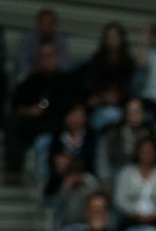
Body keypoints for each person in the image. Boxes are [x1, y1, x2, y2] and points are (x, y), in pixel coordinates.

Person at [5, 42, 77, 186]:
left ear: (57, 57)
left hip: (58, 125)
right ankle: (14, 171)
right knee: (12, 122)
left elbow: (73, 107)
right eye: (43, 56)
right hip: (34, 124)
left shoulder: (67, 81)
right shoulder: (32, 80)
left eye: (50, 56)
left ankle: (45, 182)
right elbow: (15, 105)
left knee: (45, 139)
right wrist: (29, 110)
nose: (47, 60)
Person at [113, 137, 156, 228]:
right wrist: (134, 213)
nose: (147, 155)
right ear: (138, 153)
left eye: (150, 152)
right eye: (143, 152)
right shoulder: (126, 173)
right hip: (131, 217)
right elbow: (120, 198)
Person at [97, 97, 156, 185]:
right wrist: (105, 180)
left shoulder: (152, 134)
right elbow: (102, 160)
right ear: (125, 114)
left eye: (138, 111)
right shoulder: (113, 133)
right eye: (132, 111)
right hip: (116, 179)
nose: (135, 115)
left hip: (146, 180)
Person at [45, 102, 97, 197]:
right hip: (59, 179)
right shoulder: (57, 137)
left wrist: (71, 162)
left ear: (85, 118)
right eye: (71, 115)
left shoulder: (92, 138)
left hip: (86, 176)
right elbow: (53, 158)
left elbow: (91, 159)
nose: (75, 119)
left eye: (78, 115)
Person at [83, 22, 135, 108]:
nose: (112, 40)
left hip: (121, 99)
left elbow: (128, 84)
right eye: (109, 37)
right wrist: (102, 95)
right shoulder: (97, 59)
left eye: (115, 37)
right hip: (99, 97)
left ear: (121, 39)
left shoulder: (127, 61)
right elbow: (91, 82)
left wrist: (117, 95)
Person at [15, 9, 71, 80]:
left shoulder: (61, 39)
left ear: (54, 25)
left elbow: (64, 65)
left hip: (54, 76)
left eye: (49, 23)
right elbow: (23, 62)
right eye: (43, 23)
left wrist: (50, 68)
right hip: (32, 75)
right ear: (38, 23)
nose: (46, 26)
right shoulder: (27, 37)